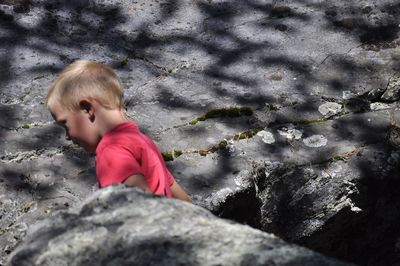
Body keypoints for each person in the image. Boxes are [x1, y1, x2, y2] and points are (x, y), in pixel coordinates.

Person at [46, 60, 192, 202]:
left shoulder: (111, 150)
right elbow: (184, 201)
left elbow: (138, 204)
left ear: (87, 109)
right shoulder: (142, 141)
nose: (67, 136)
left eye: (65, 124)